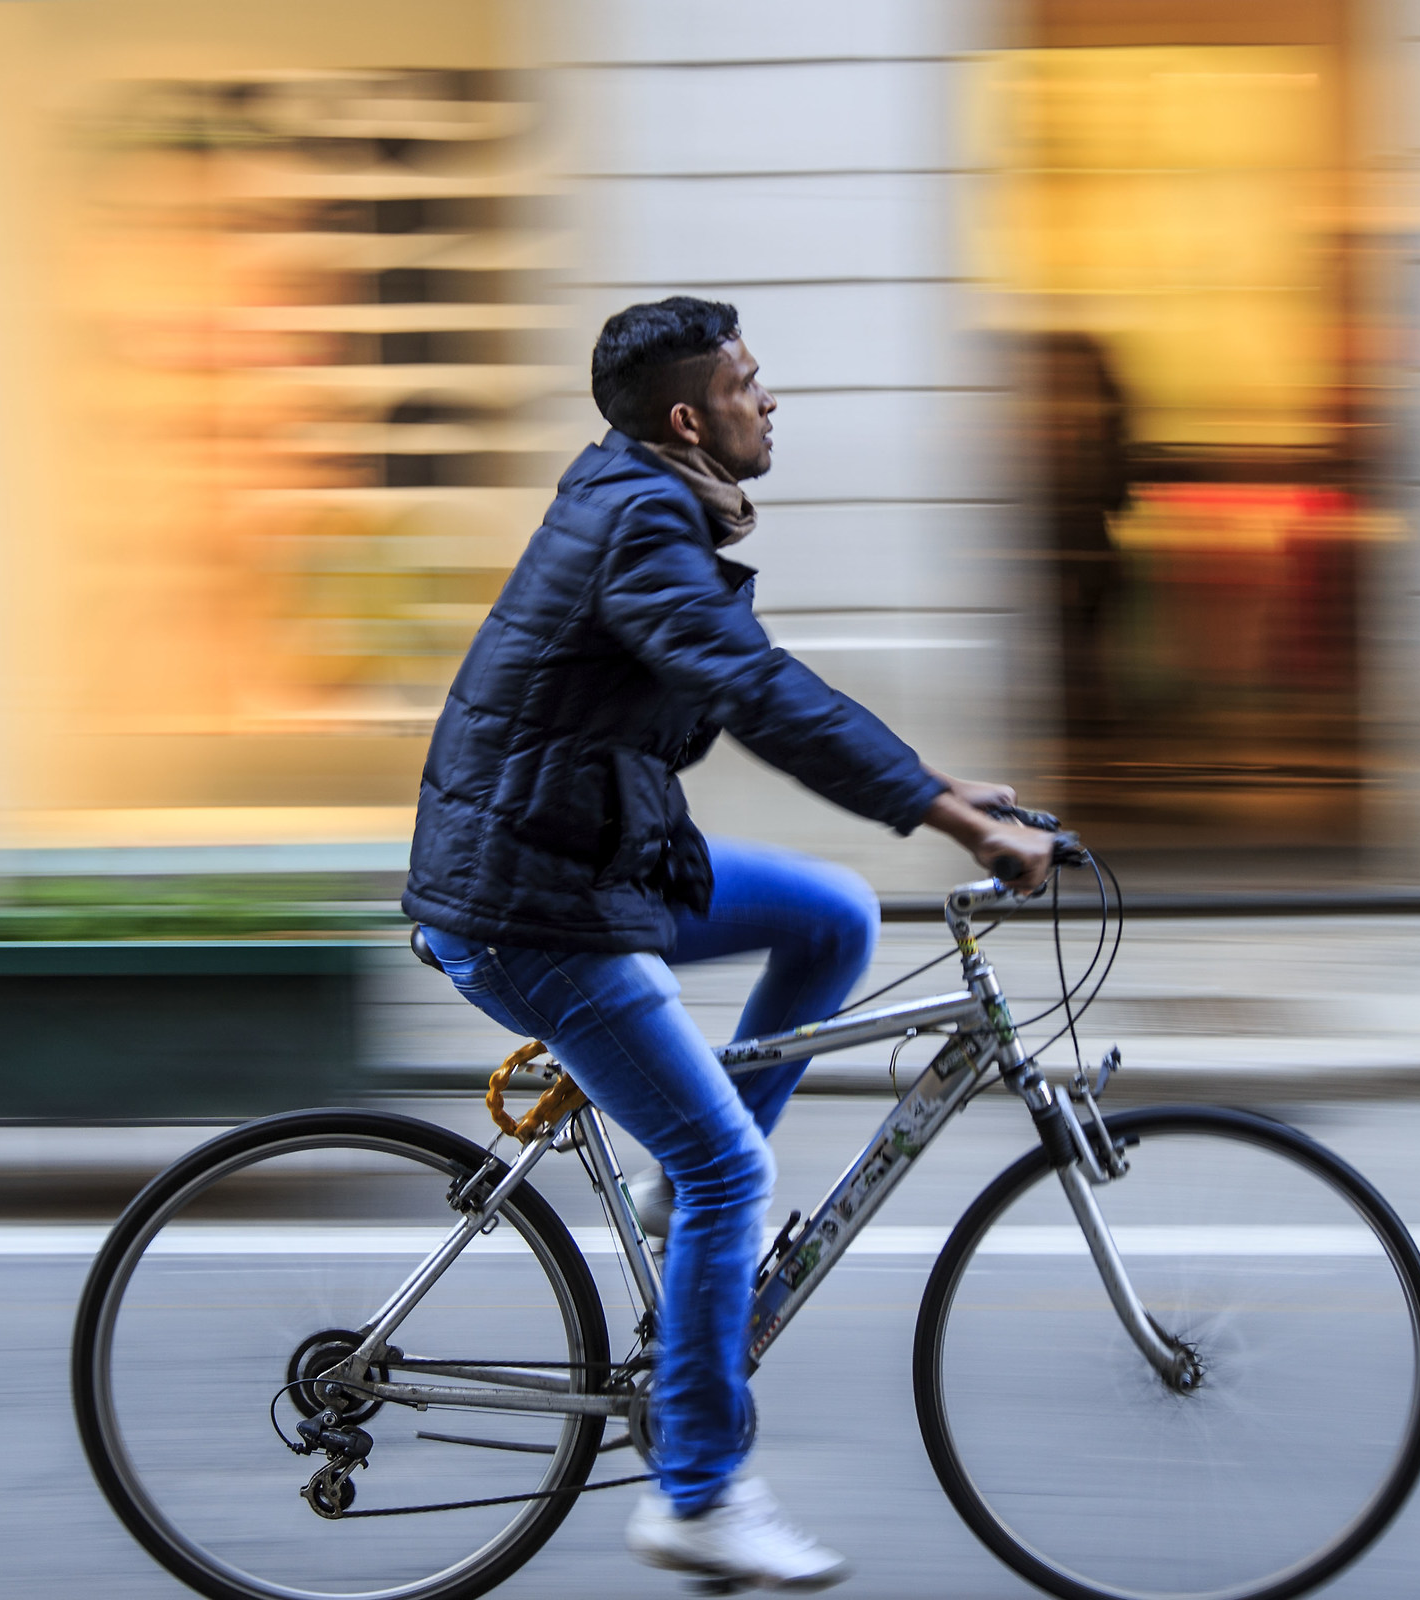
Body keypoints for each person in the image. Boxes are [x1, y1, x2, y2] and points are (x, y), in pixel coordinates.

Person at [402, 295, 1055, 1591]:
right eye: (754, 383)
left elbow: (750, 668)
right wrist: (933, 809)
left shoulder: (640, 494)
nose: (775, 401)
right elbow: (747, 685)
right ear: (692, 416)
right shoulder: (642, 519)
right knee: (725, 1177)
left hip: (591, 856)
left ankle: (681, 1187)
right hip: (528, 904)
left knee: (832, 914)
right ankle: (698, 1494)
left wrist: (935, 784)